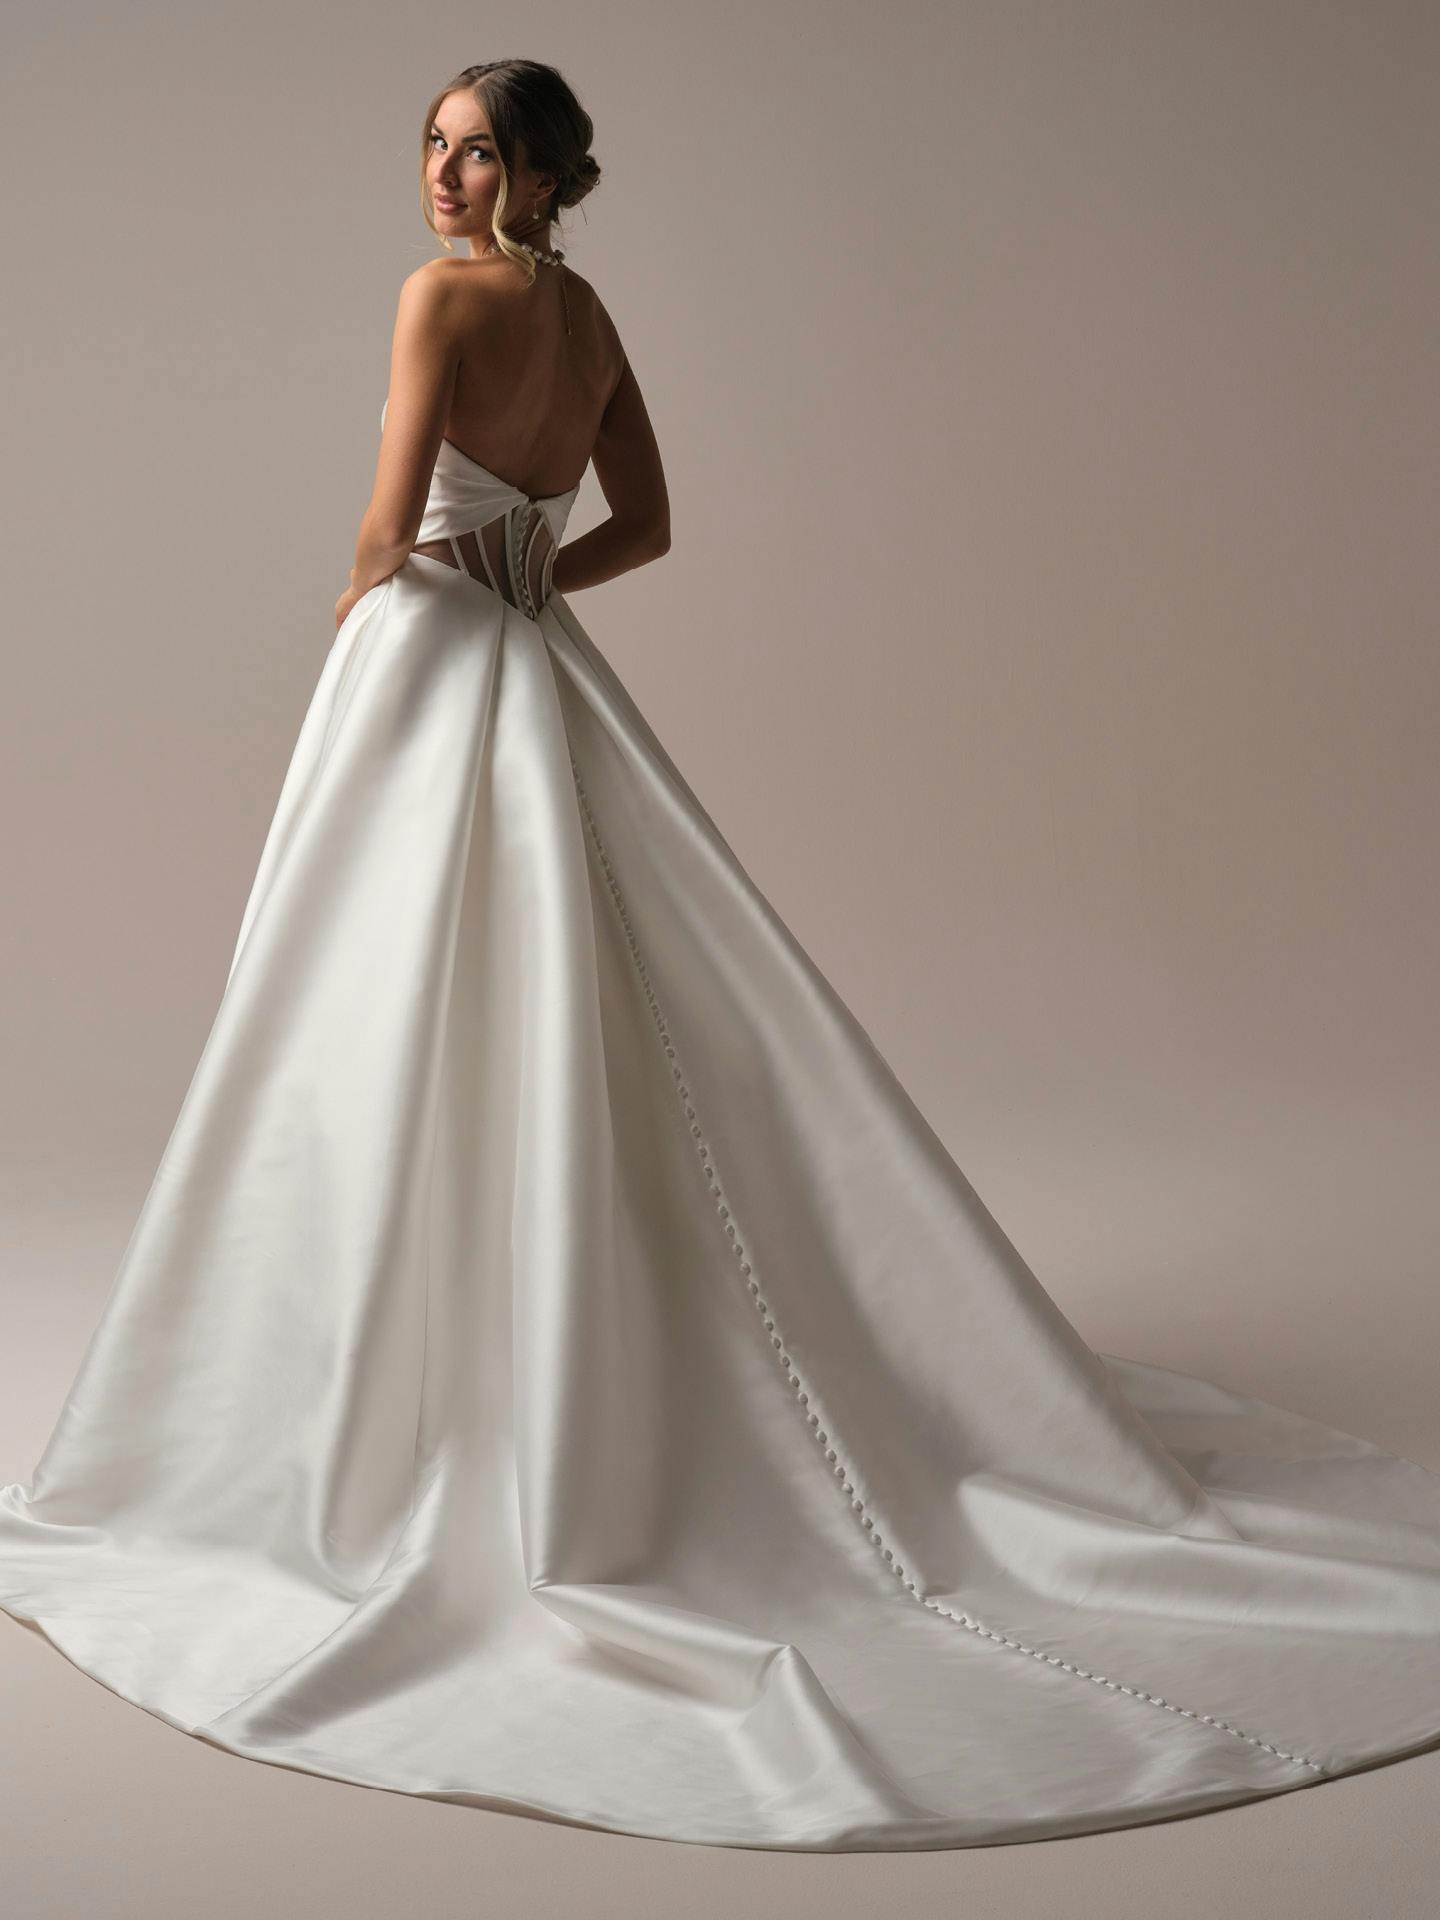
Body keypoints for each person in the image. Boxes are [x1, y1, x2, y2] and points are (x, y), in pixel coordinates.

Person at [3, 58, 1440, 1856]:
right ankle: (598, 1369)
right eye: (434, 146)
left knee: (363, 1019)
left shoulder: (436, 300)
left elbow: (383, 520)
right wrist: (534, 576)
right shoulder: (587, 317)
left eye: (480, 151)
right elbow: (651, 520)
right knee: (571, 1001)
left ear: (538, 173)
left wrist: (382, 622)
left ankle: (390, 1403)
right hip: (531, 665)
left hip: (420, 665)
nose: (446, 177)